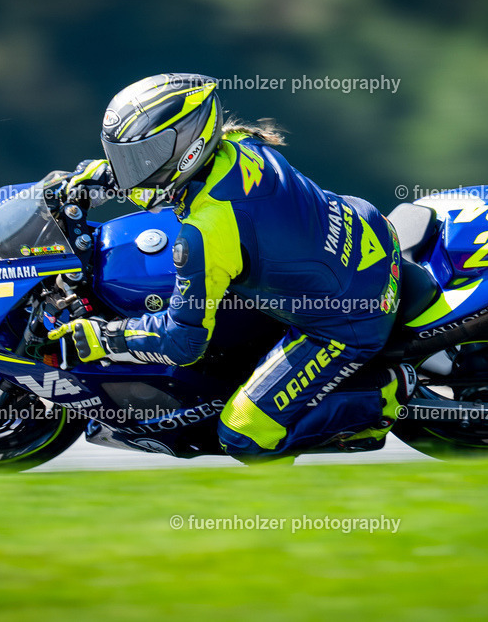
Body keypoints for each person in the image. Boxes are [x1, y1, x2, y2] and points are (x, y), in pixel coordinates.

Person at [48, 73, 414, 463]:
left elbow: (182, 344)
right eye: (124, 158)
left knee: (243, 435)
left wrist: (107, 338)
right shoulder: (237, 144)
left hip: (350, 314)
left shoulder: (209, 230)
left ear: (188, 150)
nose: (130, 169)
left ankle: (382, 397)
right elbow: (163, 179)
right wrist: (106, 176)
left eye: (140, 158)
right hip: (365, 230)